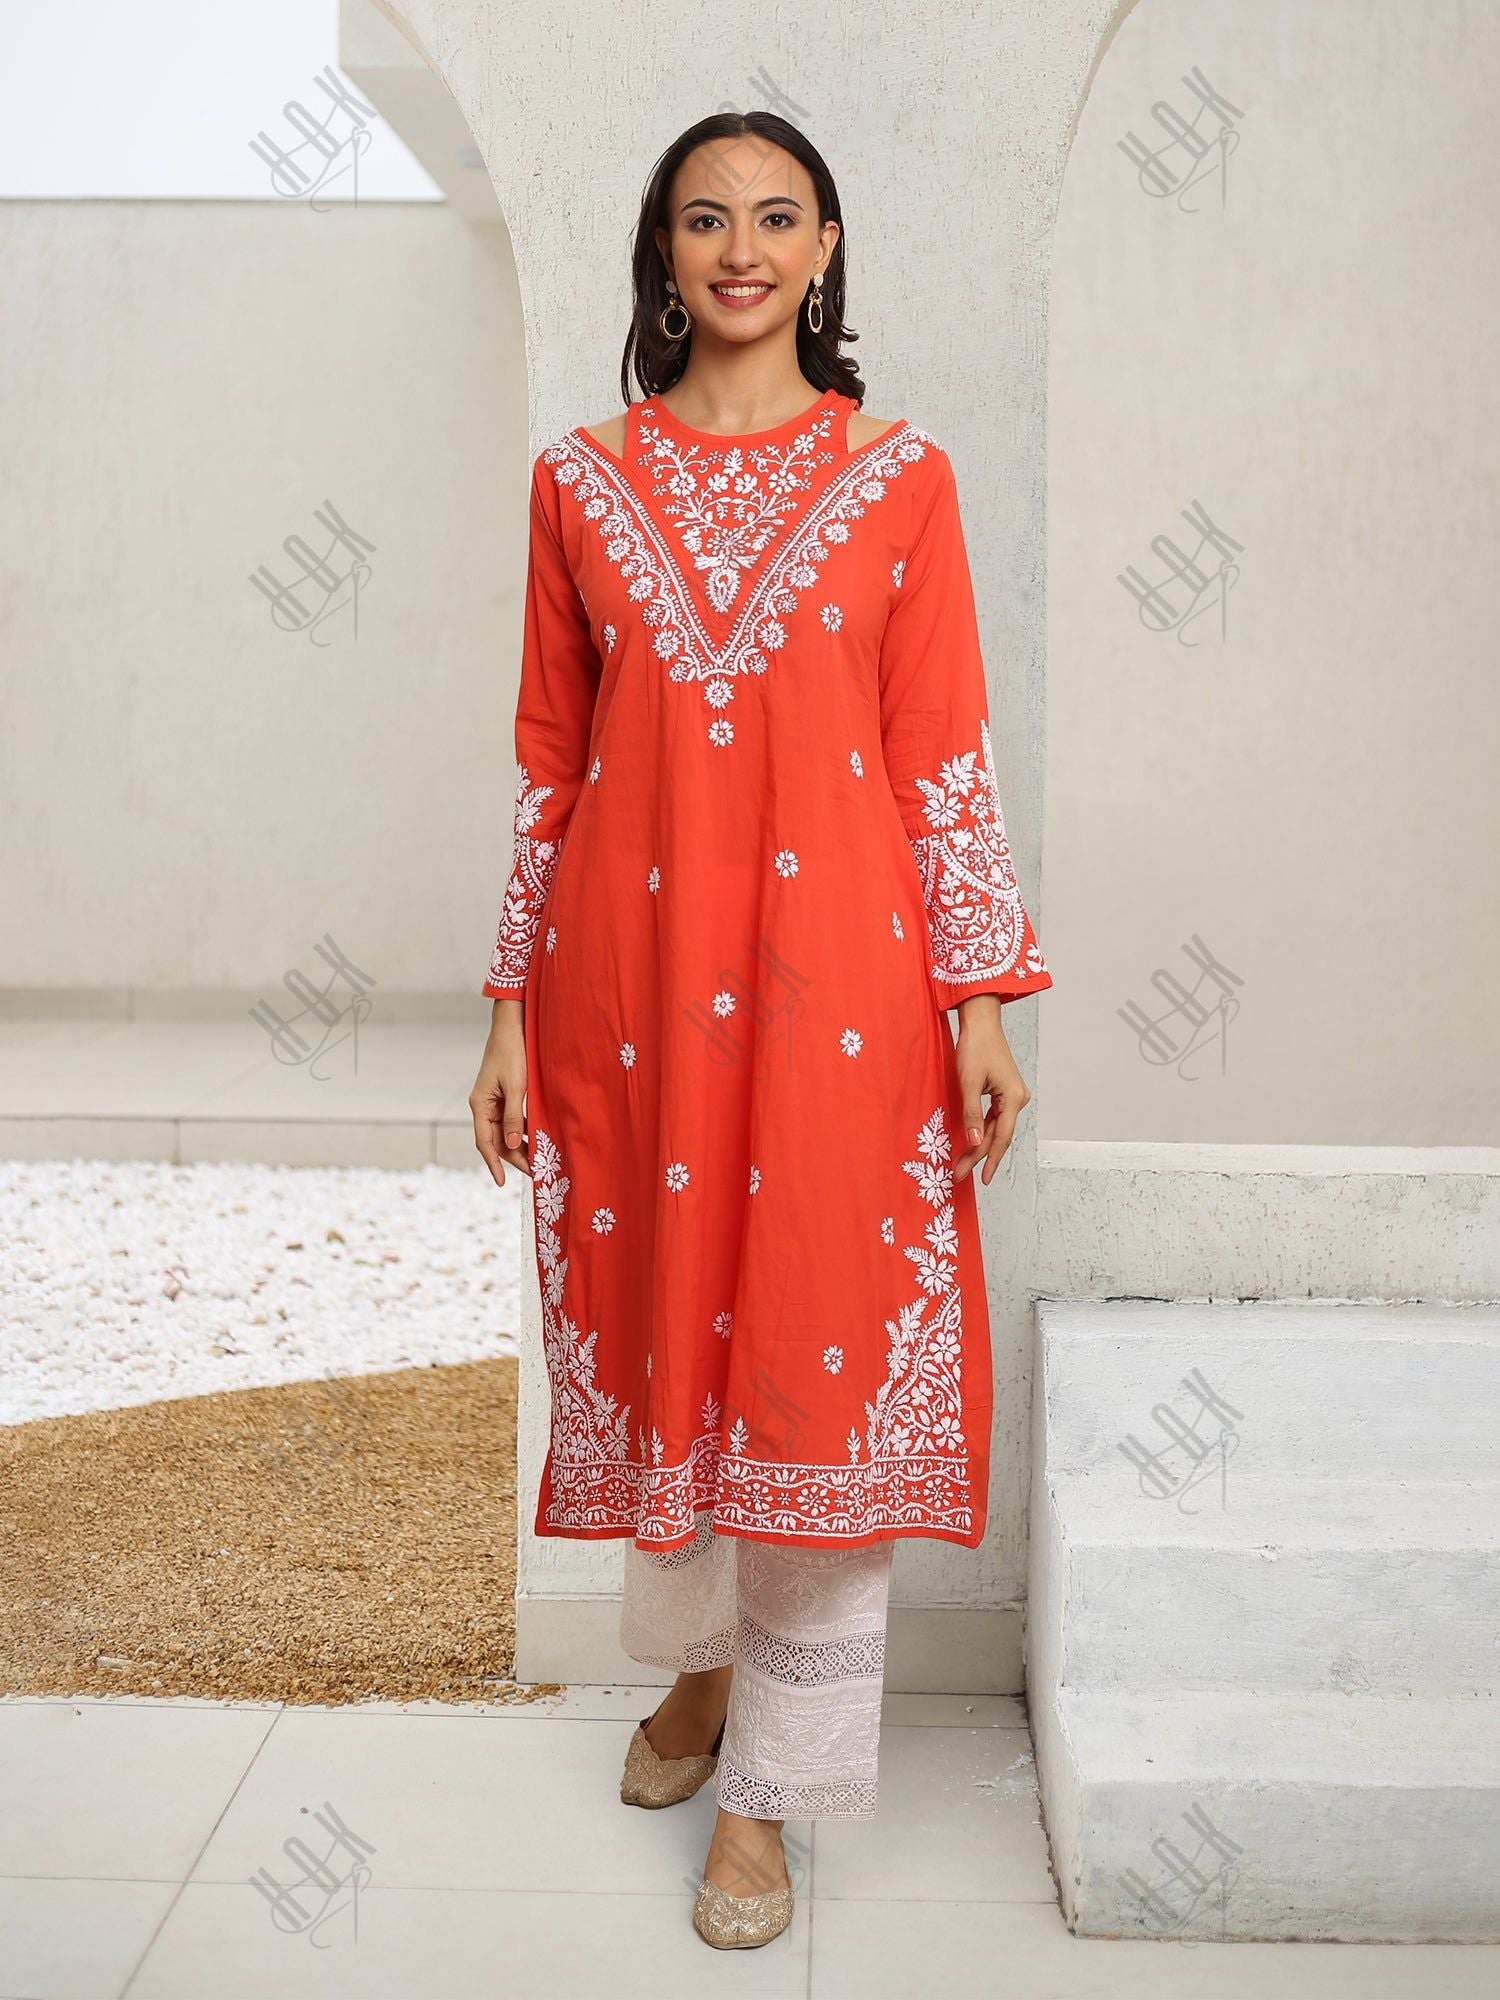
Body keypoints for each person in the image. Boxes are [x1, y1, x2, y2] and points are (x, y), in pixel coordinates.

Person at [468, 107, 1053, 1951]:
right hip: (627, 1009)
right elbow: (549, 769)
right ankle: (701, 1677)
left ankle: (766, 1808)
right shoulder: (579, 479)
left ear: (824, 251)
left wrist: (978, 999)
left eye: (776, 218)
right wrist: (501, 1012)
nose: (740, 247)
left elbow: (941, 749)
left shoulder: (902, 478)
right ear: (662, 254)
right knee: (670, 1348)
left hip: (841, 1008)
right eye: (704, 218)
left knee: (803, 1366)